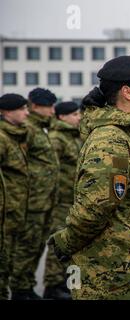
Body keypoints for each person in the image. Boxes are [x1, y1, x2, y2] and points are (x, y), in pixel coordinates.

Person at [49, 55, 130, 300]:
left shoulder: (126, 136)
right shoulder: (111, 142)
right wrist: (65, 243)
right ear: (127, 92)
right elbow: (96, 207)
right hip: (113, 277)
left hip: (129, 271)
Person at [10, 88, 59, 300]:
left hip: (45, 199)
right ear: (36, 106)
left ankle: (27, 286)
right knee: (27, 246)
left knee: (38, 245)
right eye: (49, 106)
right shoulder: (28, 129)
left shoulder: (42, 128)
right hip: (32, 200)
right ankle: (20, 288)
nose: (52, 111)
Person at [43, 101, 83, 300]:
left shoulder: (73, 137)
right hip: (60, 200)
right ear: (62, 117)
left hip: (72, 200)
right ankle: (52, 284)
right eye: (74, 114)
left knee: (69, 243)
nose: (79, 117)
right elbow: (51, 170)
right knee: (57, 242)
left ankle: (63, 283)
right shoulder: (57, 138)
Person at [0, 94, 30, 299]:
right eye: (22, 109)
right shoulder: (2, 138)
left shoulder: (14, 136)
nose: (27, 113)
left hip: (14, 210)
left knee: (9, 258)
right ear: (7, 112)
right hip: (5, 212)